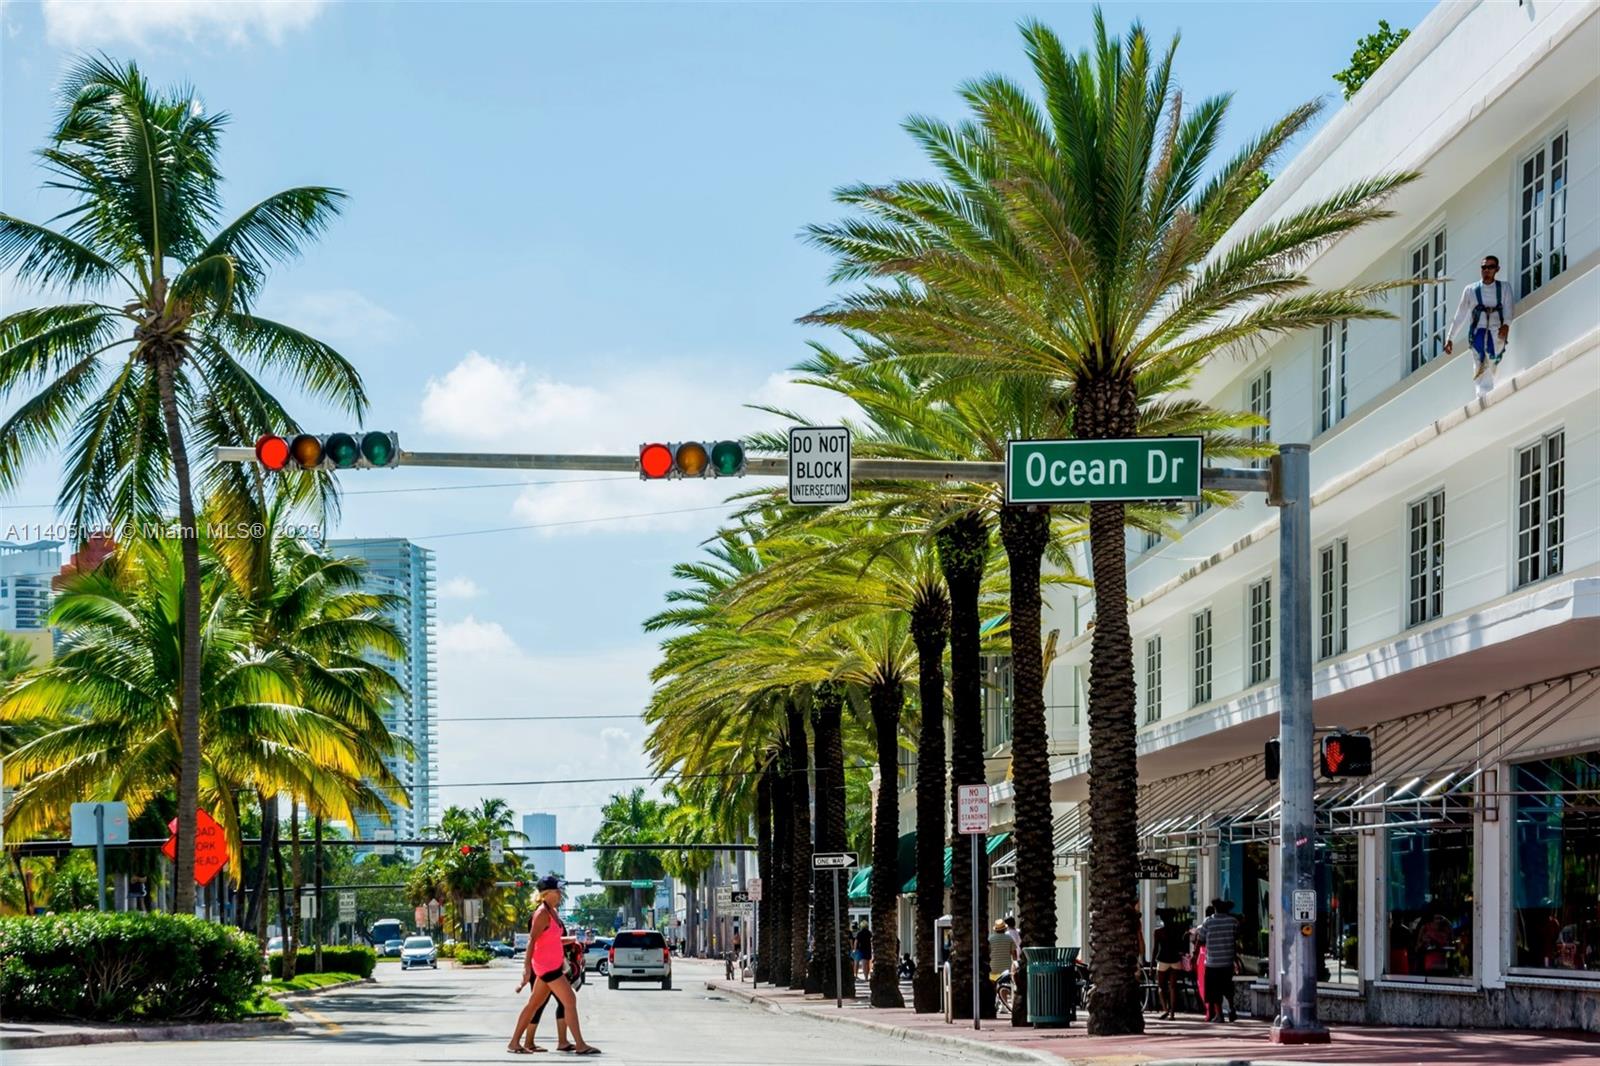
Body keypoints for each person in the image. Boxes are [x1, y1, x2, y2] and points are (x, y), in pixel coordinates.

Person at [509, 877, 599, 1056]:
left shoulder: (553, 912)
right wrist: (526, 969)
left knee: (533, 1004)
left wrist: (574, 939)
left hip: (552, 964)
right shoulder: (542, 913)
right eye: (557, 891)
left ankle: (514, 1042)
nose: (560, 894)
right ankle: (580, 1044)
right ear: (546, 893)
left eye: (560, 891)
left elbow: (552, 940)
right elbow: (532, 941)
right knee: (570, 1000)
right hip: (547, 966)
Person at [1444, 254, 1514, 398]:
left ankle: (1491, 392)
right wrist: (1450, 338)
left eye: (1490, 267)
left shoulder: (1505, 288)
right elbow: (1460, 315)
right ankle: (1482, 394)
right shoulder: (1470, 290)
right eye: (1484, 267)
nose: (1486, 270)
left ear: (1497, 269)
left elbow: (1509, 308)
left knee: (1493, 361)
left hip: (1497, 331)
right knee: (1480, 361)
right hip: (1478, 332)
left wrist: (1506, 325)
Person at [1196, 899, 1240, 1023]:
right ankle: (1231, 1008)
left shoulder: (1208, 922)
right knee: (1228, 988)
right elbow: (1236, 939)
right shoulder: (1233, 921)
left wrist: (1195, 954)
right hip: (1227, 961)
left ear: (1214, 909)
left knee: (1215, 991)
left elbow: (1201, 940)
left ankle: (1219, 1015)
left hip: (1212, 962)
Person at [1151, 909, 1186, 1020]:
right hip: (1175, 959)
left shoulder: (1158, 931)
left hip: (1162, 960)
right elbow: (1182, 945)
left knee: (1161, 986)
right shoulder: (1178, 929)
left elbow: (1155, 949)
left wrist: (1152, 965)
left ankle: (1165, 1009)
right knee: (1173, 987)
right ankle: (1172, 1013)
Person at [987, 918, 1016, 985]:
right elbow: (1014, 953)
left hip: (993, 968)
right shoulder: (1009, 938)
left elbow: (988, 952)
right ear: (1004, 929)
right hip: (1006, 969)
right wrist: (1015, 965)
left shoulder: (990, 939)